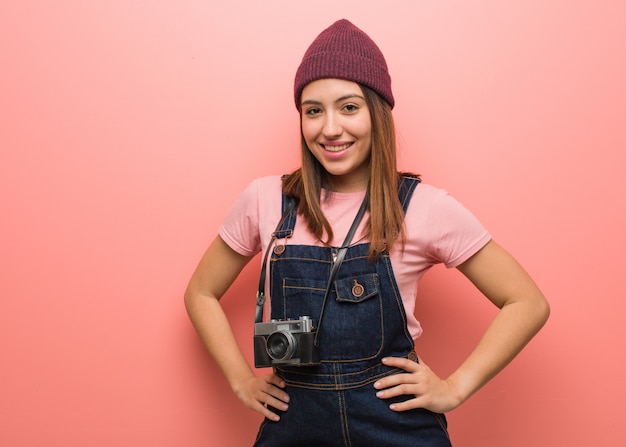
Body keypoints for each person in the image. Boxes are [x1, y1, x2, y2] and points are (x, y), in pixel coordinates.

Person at [185, 19, 550, 446]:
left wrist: (455, 387)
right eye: (313, 110)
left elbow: (527, 302)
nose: (330, 128)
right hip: (295, 429)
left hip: (397, 428)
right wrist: (240, 380)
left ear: (377, 113)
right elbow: (200, 292)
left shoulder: (424, 207)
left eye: (349, 107)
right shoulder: (265, 200)